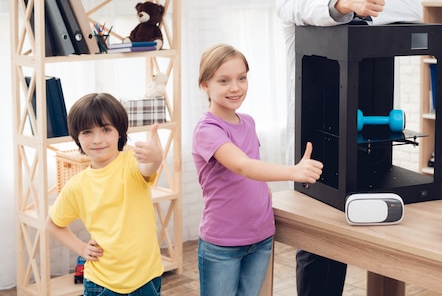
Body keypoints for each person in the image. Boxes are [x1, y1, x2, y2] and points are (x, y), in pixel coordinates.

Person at [275, 0, 422, 296]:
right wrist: (346, 6)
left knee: (351, 230)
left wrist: (369, 5)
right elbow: (302, 11)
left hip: (360, 129)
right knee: (319, 242)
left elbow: (413, 8)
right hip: (313, 134)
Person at [192, 43, 323, 296]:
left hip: (260, 236)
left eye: (242, 78)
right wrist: (294, 172)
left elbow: (252, 163)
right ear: (205, 85)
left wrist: (264, 192)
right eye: (224, 80)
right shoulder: (207, 130)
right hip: (222, 244)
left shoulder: (248, 122)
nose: (235, 87)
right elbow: (242, 165)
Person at [46, 93, 164, 295]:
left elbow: (147, 167)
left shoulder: (131, 163)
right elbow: (53, 224)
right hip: (102, 284)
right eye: (87, 132)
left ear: (119, 132)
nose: (97, 139)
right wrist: (82, 249)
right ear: (77, 138)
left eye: (106, 129)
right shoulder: (77, 185)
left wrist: (156, 157)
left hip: (148, 279)